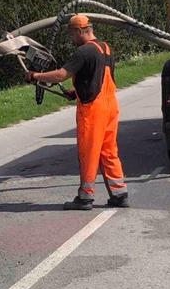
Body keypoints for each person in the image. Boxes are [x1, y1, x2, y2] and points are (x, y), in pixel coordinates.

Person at [29, 14, 130, 211]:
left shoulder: (83, 52)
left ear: (79, 31)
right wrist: (76, 92)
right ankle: (120, 194)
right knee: (109, 152)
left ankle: (85, 197)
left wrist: (35, 75)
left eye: (71, 34)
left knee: (88, 153)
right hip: (110, 107)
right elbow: (100, 78)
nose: (71, 38)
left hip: (93, 110)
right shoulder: (106, 48)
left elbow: (61, 75)